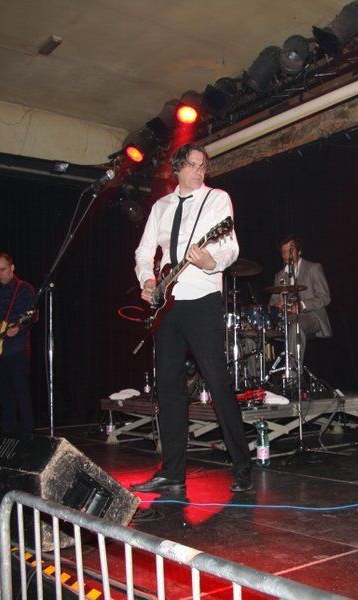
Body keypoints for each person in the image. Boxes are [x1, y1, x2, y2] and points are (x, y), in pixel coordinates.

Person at [132, 143, 253, 494]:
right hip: (166, 306)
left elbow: (230, 246)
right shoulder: (160, 206)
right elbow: (144, 252)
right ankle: (173, 471)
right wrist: (148, 280)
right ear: (178, 168)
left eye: (204, 166)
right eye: (194, 165)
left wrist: (210, 261)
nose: (200, 171)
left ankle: (242, 467)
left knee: (217, 382)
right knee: (169, 389)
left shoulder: (217, 199)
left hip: (202, 300)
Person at [0, 252, 36, 435]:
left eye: (3, 269)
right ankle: (7, 435)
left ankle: (29, 434)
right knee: (4, 396)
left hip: (17, 350)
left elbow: (30, 316)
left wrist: (19, 328)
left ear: (12, 267)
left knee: (21, 394)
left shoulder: (24, 289)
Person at [268, 236, 332, 366]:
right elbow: (272, 303)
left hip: (311, 315)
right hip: (288, 317)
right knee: (258, 330)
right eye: (283, 252)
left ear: (300, 251)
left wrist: (302, 305)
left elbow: (324, 297)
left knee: (295, 326)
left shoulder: (313, 268)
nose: (286, 255)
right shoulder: (279, 275)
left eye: (290, 251)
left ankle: (292, 373)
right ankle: (256, 375)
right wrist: (278, 306)